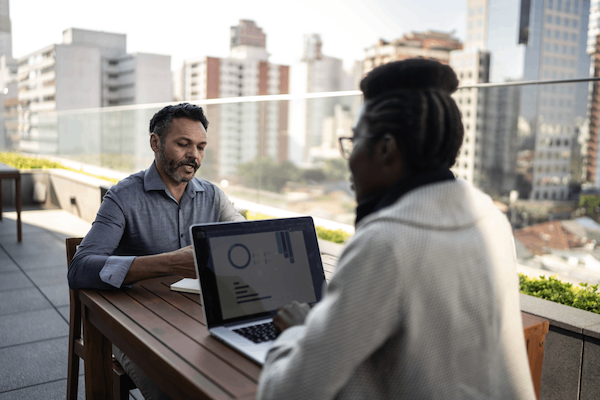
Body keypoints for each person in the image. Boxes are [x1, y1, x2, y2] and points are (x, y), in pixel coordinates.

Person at [257, 60, 536, 399]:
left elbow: (285, 393)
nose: (349, 158)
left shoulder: (386, 243)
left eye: (354, 141)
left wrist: (300, 332)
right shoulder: (491, 218)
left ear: (386, 149)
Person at [68, 102, 245, 399]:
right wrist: (169, 263)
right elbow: (79, 268)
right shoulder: (123, 197)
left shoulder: (213, 196)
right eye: (183, 144)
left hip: (199, 321)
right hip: (134, 330)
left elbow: (243, 243)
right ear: (155, 142)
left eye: (201, 147)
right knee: (178, 390)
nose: (194, 155)